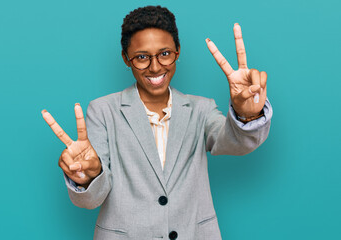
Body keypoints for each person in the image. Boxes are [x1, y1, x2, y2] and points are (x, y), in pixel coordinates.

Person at [42, 5, 272, 240]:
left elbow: (234, 142)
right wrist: (89, 176)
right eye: (142, 57)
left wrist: (247, 114)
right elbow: (92, 199)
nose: (155, 67)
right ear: (126, 59)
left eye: (164, 53)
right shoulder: (102, 111)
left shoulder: (201, 109)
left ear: (178, 52)